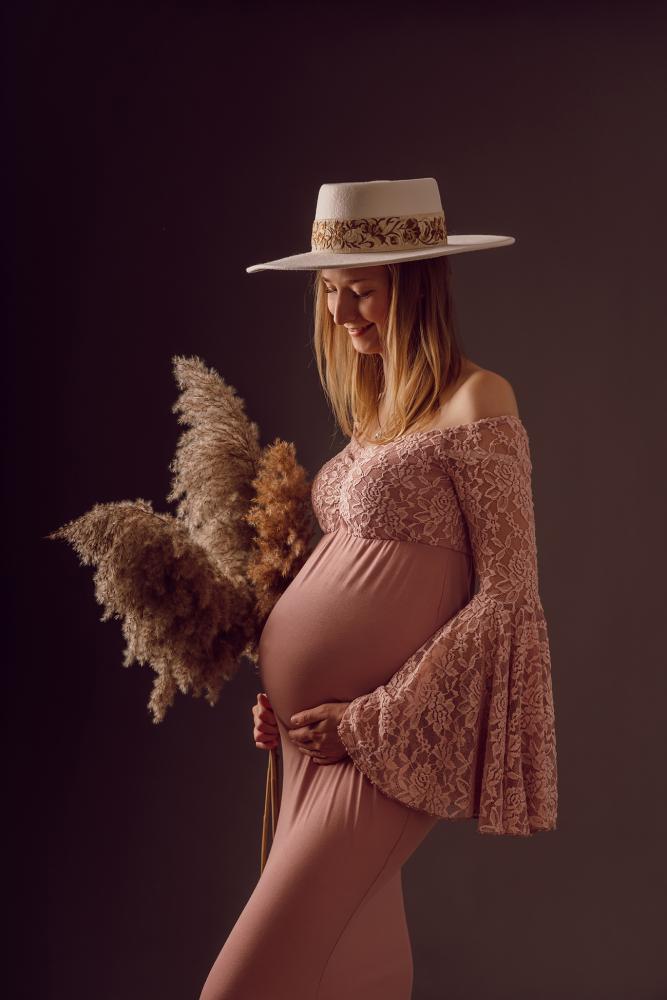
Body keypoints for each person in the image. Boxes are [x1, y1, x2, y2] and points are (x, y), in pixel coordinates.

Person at [199, 178, 557, 1000]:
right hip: (311, 743)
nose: (339, 312)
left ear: (418, 287)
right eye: (328, 292)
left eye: (358, 290)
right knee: (351, 969)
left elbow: (507, 598)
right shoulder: (378, 417)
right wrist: (287, 696)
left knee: (242, 986)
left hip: (379, 748)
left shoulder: (478, 400)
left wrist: (371, 721)